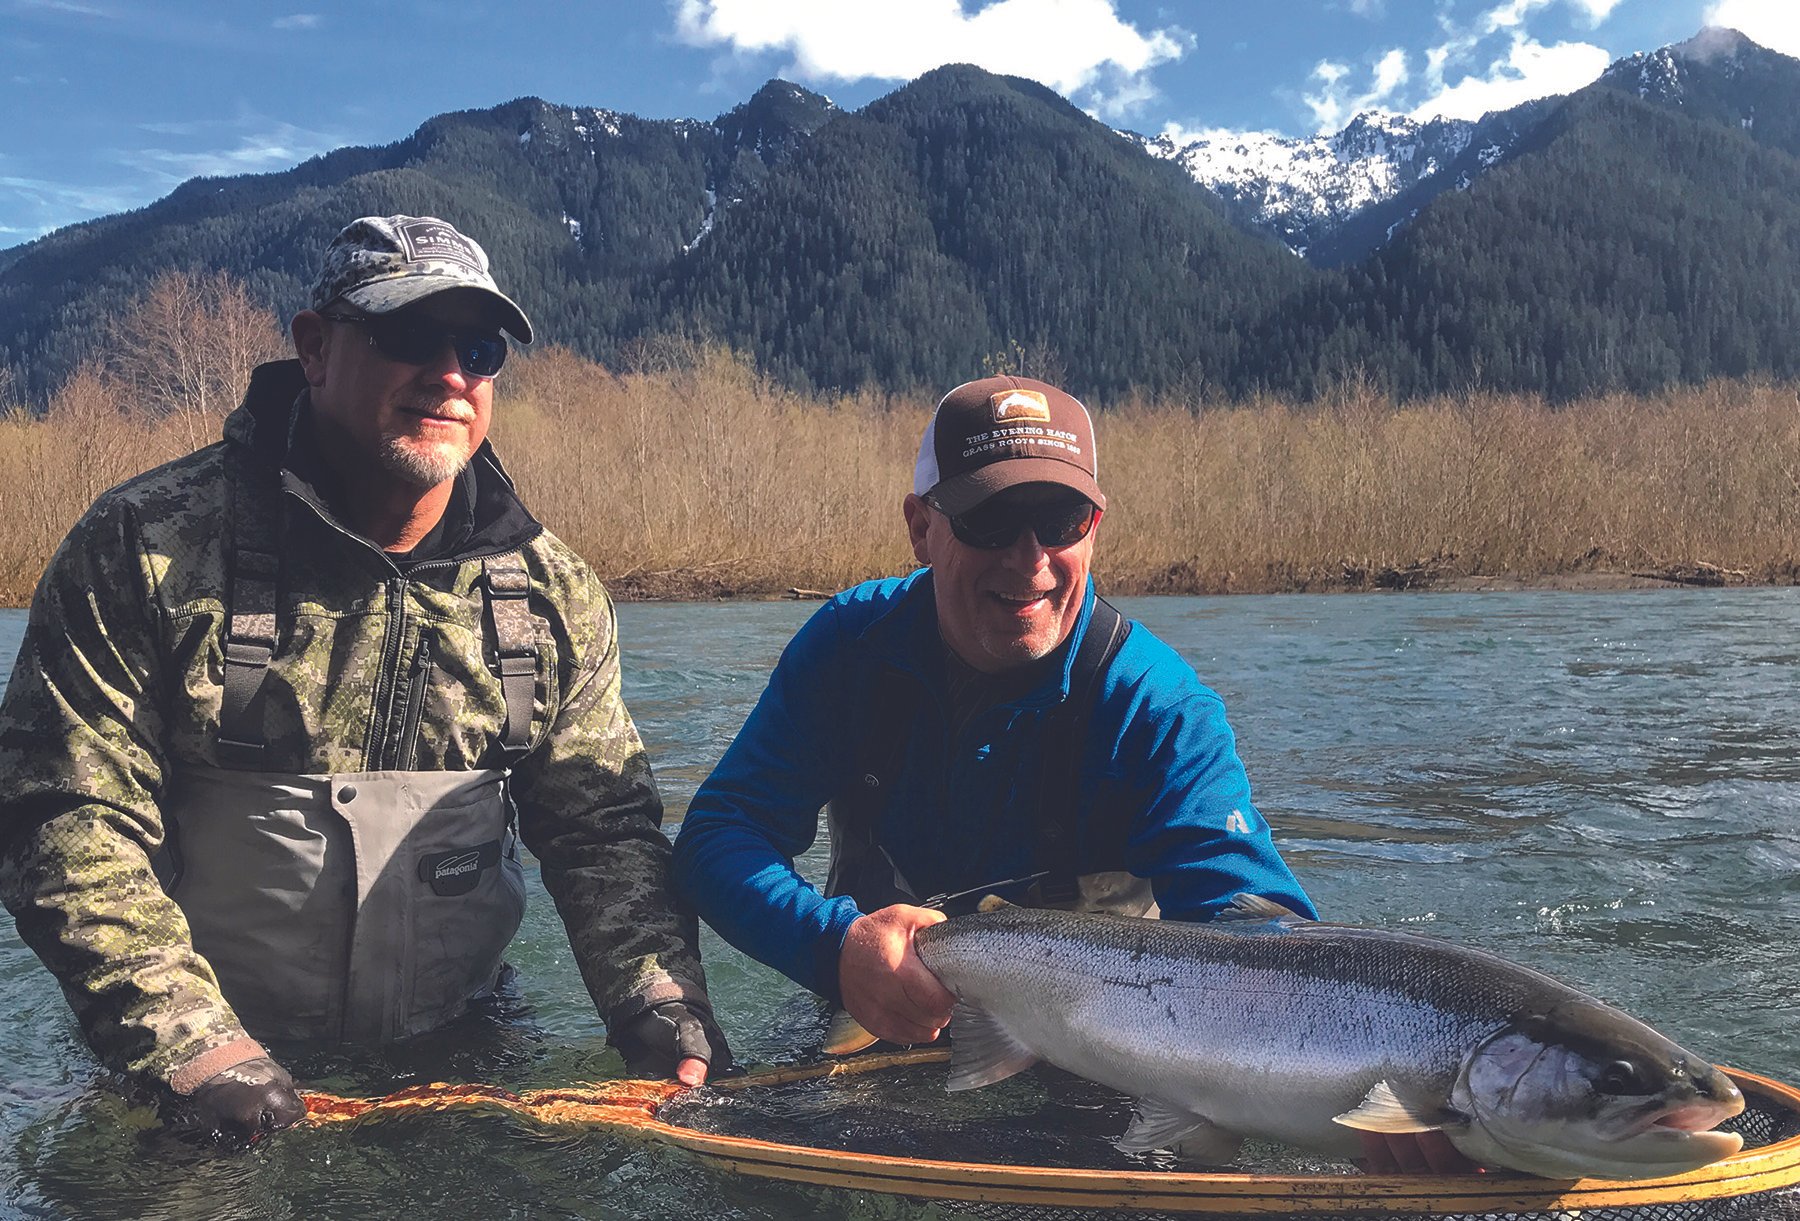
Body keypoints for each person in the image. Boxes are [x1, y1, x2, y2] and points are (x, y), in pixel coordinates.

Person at [0, 215, 728, 1144]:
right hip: (187, 1069)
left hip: (465, 1047)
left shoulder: (550, 592)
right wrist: (195, 1049)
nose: (452, 375)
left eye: (480, 348)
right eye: (410, 335)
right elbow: (64, 811)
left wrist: (659, 1002)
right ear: (314, 347)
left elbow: (603, 829)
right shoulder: (144, 548)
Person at [673, 375, 1471, 1173]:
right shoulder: (848, 651)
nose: (1031, 561)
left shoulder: (1158, 708)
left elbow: (1260, 936)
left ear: (1094, 527)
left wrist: (1381, 1082)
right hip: (881, 1016)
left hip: (1101, 1061)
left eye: (1059, 520)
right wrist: (834, 948)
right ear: (921, 526)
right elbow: (718, 835)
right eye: (991, 518)